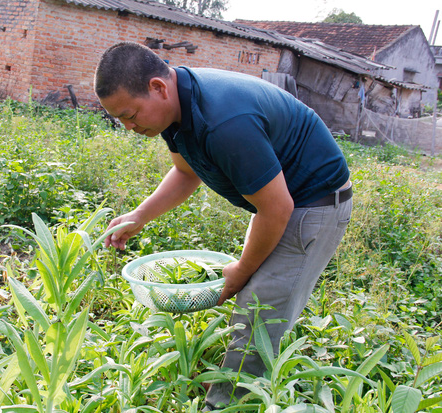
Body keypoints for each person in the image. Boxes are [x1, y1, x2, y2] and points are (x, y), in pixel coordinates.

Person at [94, 41, 353, 410]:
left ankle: (227, 405)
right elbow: (186, 172)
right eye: (120, 119)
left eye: (130, 115)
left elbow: (277, 209)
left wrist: (240, 272)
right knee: (258, 300)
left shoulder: (224, 121)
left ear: (157, 87)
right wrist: (139, 217)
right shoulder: (176, 110)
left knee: (257, 310)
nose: (129, 126)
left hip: (314, 204)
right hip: (281, 202)